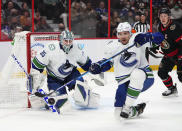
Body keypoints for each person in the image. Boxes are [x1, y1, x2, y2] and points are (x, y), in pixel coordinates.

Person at [89, 22, 164, 118]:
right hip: (124, 81)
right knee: (118, 113)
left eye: (125, 33)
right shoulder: (113, 46)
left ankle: (128, 107)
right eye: (120, 34)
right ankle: (135, 110)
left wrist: (148, 37)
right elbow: (107, 63)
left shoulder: (136, 38)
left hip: (144, 76)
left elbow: (160, 37)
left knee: (136, 75)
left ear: (130, 33)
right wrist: (98, 67)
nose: (123, 36)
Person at [30, 30, 100, 113]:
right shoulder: (50, 48)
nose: (68, 43)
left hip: (72, 75)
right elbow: (36, 66)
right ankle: (46, 101)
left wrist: (94, 68)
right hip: (54, 78)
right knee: (63, 105)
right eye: (65, 40)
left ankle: (88, 94)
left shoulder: (76, 48)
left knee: (83, 99)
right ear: (61, 39)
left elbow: (87, 65)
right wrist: (35, 85)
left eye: (70, 41)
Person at [149, 7, 182, 97]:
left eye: (165, 16)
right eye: (161, 16)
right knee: (161, 72)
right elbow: (162, 40)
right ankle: (172, 89)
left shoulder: (175, 27)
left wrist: (180, 58)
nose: (163, 18)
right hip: (169, 56)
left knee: (181, 76)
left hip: (179, 55)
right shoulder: (160, 26)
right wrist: (155, 46)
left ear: (169, 17)